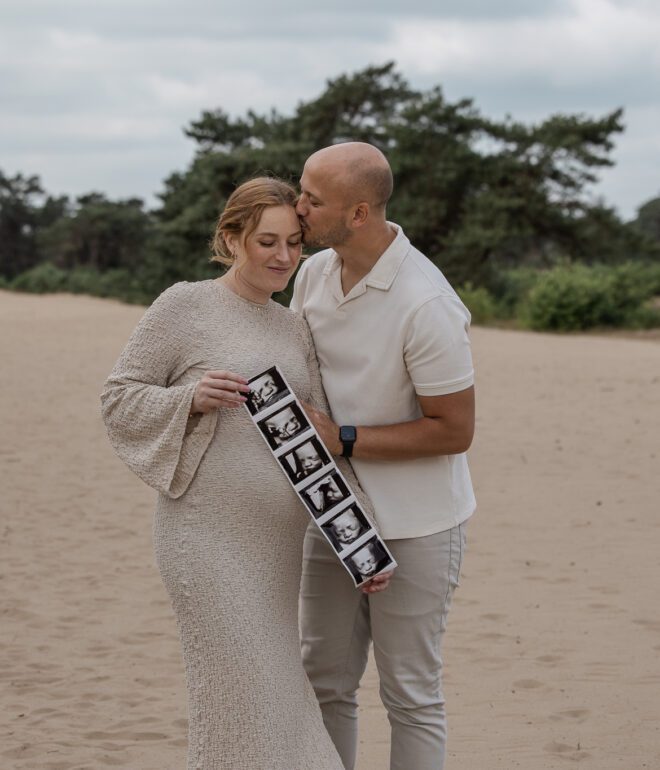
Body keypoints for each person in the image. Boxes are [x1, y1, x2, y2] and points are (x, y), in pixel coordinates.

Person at [100, 176, 390, 770]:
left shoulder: (292, 328)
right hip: (204, 542)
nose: (283, 256)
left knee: (276, 697)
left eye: (294, 243)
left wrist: (361, 542)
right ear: (231, 239)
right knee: (244, 691)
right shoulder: (184, 305)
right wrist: (189, 399)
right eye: (266, 242)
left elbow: (318, 440)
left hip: (276, 549)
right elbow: (119, 398)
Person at [291, 142, 476, 770]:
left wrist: (341, 437)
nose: (298, 207)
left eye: (313, 199)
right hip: (332, 515)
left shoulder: (427, 304)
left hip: (418, 525)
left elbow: (454, 430)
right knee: (323, 682)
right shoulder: (313, 273)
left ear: (359, 213)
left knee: (410, 696)